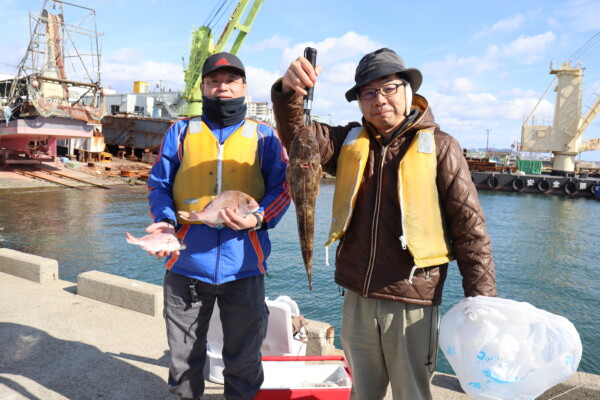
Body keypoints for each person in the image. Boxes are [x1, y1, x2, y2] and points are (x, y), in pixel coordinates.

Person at [271, 48, 497, 400]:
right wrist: (289, 94)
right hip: (357, 297)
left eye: (389, 88)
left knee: (412, 394)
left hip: (413, 301)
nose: (379, 100)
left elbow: (470, 230)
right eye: (368, 93)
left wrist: (482, 303)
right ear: (359, 102)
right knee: (362, 392)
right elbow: (298, 134)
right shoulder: (347, 143)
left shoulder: (441, 147)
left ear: (409, 90)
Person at [147, 52, 290, 400]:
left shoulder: (265, 135)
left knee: (244, 359)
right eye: (214, 81)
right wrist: (165, 222)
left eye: (230, 81)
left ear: (243, 86)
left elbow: (283, 188)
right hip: (185, 264)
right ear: (203, 87)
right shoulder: (180, 130)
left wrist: (258, 218)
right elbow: (159, 184)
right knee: (184, 358)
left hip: (245, 267)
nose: (222, 88)